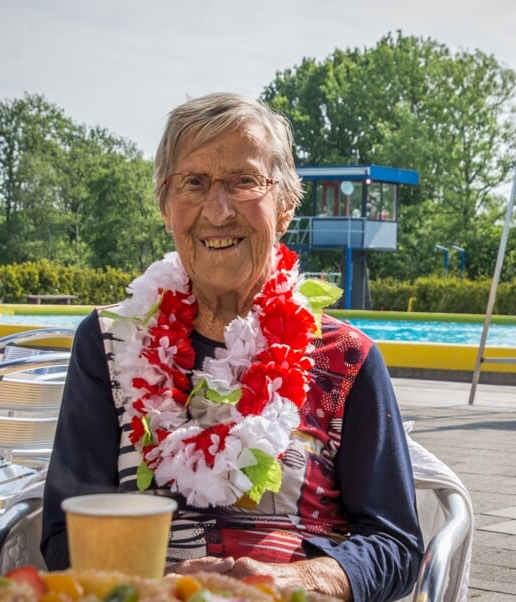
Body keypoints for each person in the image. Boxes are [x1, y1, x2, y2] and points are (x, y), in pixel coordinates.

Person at [41, 93, 423, 600]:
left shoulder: (346, 357)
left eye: (244, 182)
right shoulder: (108, 342)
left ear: (285, 206)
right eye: (193, 183)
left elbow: (394, 543)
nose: (218, 212)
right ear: (165, 206)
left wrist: (295, 580)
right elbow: (66, 532)